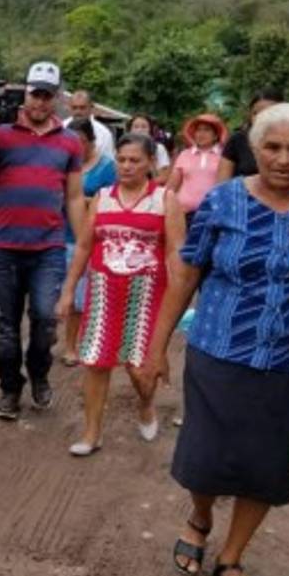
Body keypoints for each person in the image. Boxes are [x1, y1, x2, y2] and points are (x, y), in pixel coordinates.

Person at [142, 103, 289, 576]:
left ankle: (232, 557)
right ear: (253, 149)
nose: (283, 159)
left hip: (288, 358)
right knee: (206, 456)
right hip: (218, 349)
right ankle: (200, 517)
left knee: (267, 463)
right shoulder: (222, 202)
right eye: (272, 147)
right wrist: (156, 348)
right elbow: (187, 274)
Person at [58, 133, 184, 454]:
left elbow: (175, 254)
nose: (127, 166)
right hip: (104, 294)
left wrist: (177, 299)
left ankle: (146, 404)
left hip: (146, 296)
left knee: (141, 368)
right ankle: (91, 433)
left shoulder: (165, 199)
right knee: (96, 364)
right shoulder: (101, 197)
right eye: (122, 160)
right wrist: (69, 288)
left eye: (135, 161)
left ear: (151, 164)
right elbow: (85, 246)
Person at [0, 61, 85, 420]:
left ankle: (39, 376)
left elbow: (72, 197)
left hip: (48, 249)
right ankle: (10, 388)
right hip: (4, 247)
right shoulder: (1, 134)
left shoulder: (69, 143)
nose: (39, 101)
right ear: (24, 93)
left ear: (55, 99)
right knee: (6, 328)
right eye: (34, 93)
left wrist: (85, 242)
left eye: (46, 95)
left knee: (44, 320)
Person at [60, 117, 118, 366]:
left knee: (78, 298)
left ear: (91, 142)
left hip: (87, 238)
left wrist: (81, 199)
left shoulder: (107, 167)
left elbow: (113, 201)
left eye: (80, 142)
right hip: (56, 235)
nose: (74, 147)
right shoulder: (61, 164)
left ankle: (72, 346)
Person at [168, 112, 227, 220]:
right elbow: (172, 186)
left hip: (212, 215)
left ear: (215, 135)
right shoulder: (184, 154)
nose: (201, 134)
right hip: (183, 213)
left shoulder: (224, 156)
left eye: (206, 130)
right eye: (198, 130)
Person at [217, 88, 283, 183]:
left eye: (270, 113)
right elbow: (222, 184)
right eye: (256, 113)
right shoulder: (237, 140)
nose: (262, 117)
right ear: (250, 115)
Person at [65, 90, 114, 160]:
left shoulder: (104, 134)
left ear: (91, 108)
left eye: (82, 108)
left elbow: (108, 162)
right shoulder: (61, 128)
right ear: (69, 107)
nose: (78, 112)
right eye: (74, 108)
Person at [128, 114, 170, 181]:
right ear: (130, 130)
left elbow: (164, 177)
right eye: (136, 127)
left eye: (144, 127)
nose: (140, 130)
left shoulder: (158, 148)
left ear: (150, 129)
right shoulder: (124, 149)